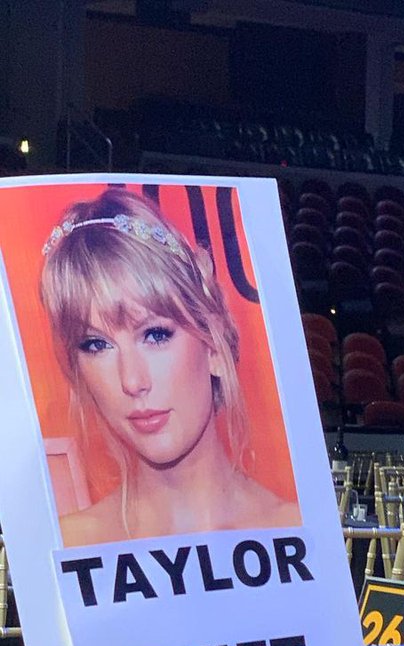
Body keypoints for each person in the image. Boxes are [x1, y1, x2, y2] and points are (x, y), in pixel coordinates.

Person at [40, 189, 301, 547]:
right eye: (96, 345)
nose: (132, 381)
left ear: (213, 343)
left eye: (156, 335)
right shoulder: (61, 547)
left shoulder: (300, 536)